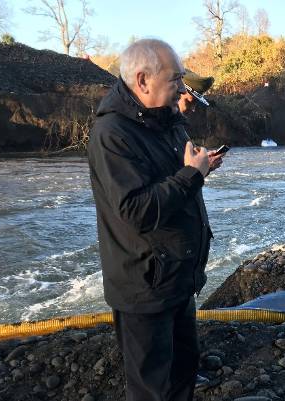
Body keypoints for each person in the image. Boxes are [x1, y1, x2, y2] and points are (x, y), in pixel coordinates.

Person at [87, 38, 223, 401]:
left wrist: (198, 164)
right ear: (143, 80)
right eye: (176, 79)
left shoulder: (166, 119)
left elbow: (173, 175)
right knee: (151, 389)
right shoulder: (111, 134)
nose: (183, 88)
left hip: (177, 275)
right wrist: (192, 175)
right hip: (144, 286)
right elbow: (136, 210)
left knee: (183, 371)